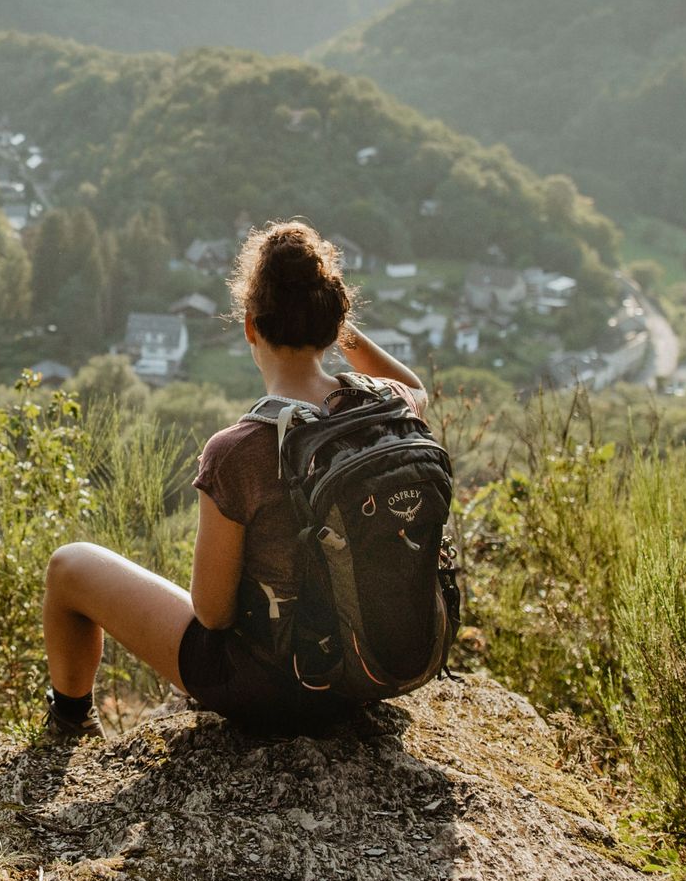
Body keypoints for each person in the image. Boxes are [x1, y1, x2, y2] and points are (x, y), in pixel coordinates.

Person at [40, 219, 429, 734]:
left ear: (250, 325)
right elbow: (412, 384)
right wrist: (335, 327)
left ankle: (69, 723)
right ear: (334, 324)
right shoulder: (391, 410)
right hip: (380, 665)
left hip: (275, 690)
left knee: (70, 567)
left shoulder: (237, 451)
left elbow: (214, 614)